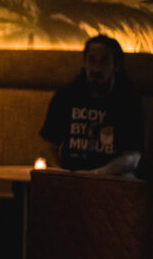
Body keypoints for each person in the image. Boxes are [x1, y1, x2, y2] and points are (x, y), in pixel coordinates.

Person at [40, 34, 144, 176]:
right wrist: (61, 172)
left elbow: (132, 157)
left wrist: (97, 174)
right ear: (84, 63)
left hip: (111, 176)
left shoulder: (128, 100)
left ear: (116, 66)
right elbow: (48, 145)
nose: (96, 69)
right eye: (91, 60)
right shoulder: (66, 96)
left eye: (104, 62)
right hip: (70, 175)